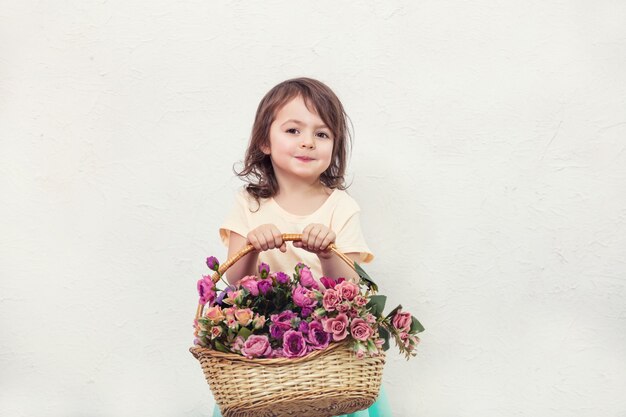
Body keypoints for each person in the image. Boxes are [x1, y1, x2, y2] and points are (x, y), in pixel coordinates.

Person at [214, 77, 392, 417]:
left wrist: (327, 254)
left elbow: (350, 288)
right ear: (264, 142)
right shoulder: (248, 204)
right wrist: (251, 247)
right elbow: (233, 281)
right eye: (293, 130)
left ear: (334, 148)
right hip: (265, 357)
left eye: (321, 134)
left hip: (326, 357)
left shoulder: (341, 207)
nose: (307, 142)